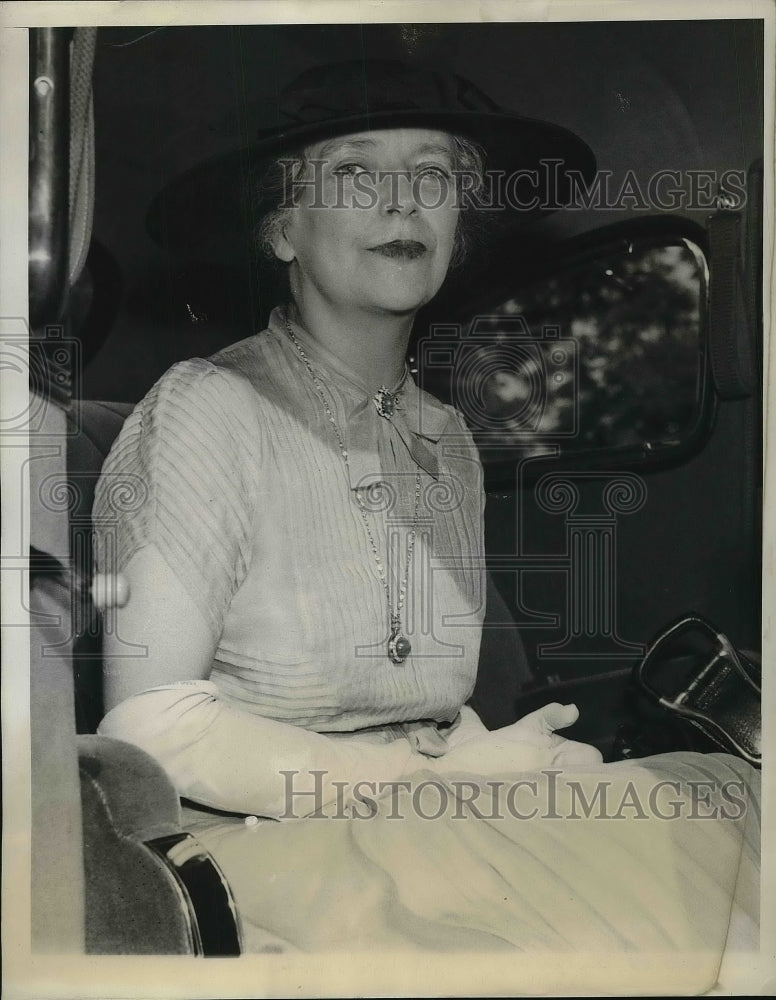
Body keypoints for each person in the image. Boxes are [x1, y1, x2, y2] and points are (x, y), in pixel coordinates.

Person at [94, 60, 759, 977]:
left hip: (435, 825)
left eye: (435, 176)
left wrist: (490, 760)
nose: (404, 201)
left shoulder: (445, 436)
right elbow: (150, 729)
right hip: (280, 860)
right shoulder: (205, 408)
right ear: (284, 227)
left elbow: (424, 699)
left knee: (732, 798)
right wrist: (433, 781)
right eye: (359, 172)